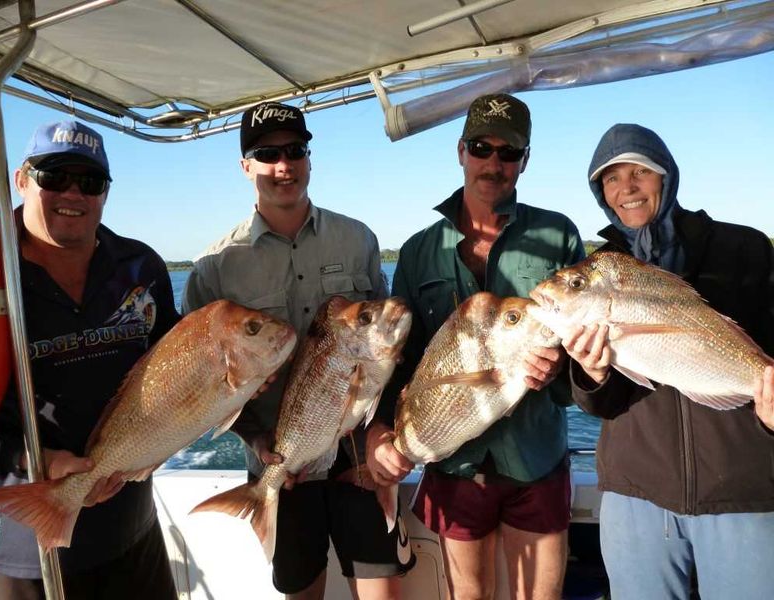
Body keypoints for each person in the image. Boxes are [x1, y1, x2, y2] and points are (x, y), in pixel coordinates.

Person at [181, 101, 415, 600]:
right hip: (279, 465)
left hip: (356, 458)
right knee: (301, 590)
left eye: (295, 151)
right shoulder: (214, 267)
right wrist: (256, 441)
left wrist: (378, 431)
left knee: (382, 590)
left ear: (309, 159)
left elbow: (383, 351)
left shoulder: (357, 239)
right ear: (246, 167)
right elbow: (204, 381)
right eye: (267, 153)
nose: (283, 165)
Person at [366, 93, 585, 600]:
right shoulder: (421, 249)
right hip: (454, 462)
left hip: (536, 456)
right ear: (460, 151)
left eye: (509, 153)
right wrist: (379, 431)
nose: (494, 162)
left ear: (524, 161)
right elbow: (399, 358)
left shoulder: (557, 234)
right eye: (482, 147)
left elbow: (584, 347)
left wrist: (559, 370)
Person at [563, 123, 774, 600]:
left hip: (741, 489)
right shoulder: (602, 267)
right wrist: (592, 376)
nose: (627, 189)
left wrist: (769, 416)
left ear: (667, 176)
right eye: (611, 180)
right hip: (635, 492)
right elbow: (602, 403)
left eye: (640, 171)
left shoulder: (745, 247)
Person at [0, 120, 180, 600]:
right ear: (21, 179)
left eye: (90, 181)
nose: (74, 192)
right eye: (55, 176)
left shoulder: (140, 266)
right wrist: (40, 461)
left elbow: (178, 370)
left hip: (131, 532)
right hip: (20, 551)